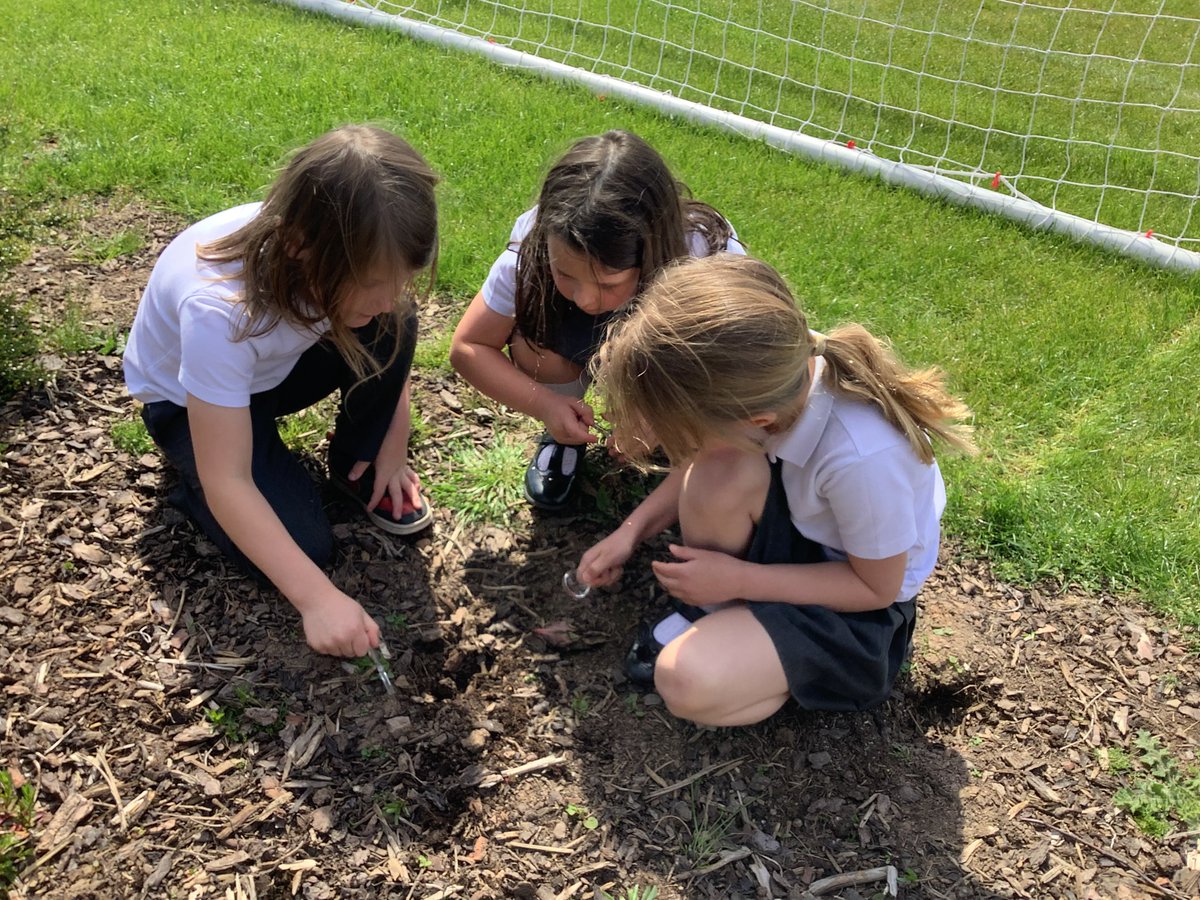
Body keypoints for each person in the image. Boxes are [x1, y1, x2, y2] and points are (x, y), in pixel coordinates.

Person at [575, 253, 977, 726]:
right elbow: (702, 461)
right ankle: (717, 611)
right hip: (812, 538)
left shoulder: (864, 459)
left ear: (759, 422)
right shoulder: (770, 376)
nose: (676, 448)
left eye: (687, 432)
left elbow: (876, 587)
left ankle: (766, 648)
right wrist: (631, 531)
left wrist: (741, 580)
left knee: (685, 682)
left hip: (859, 608)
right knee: (718, 463)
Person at [123, 125, 439, 658]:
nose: (388, 297)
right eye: (372, 282)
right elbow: (230, 480)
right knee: (306, 546)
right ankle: (187, 482)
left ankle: (356, 466)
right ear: (297, 245)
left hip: (271, 372)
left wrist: (391, 438)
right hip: (184, 403)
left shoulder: (333, 259)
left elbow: (391, 321)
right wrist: (317, 601)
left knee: (394, 324)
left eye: (400, 279)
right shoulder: (219, 312)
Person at [449, 130, 744, 510]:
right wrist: (545, 406)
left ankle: (677, 437)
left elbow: (746, 369)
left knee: (712, 422)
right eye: (565, 274)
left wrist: (665, 415)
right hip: (581, 344)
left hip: (681, 352)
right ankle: (565, 432)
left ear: (653, 248)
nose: (587, 298)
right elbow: (469, 346)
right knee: (533, 345)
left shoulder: (708, 263)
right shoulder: (531, 247)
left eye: (609, 282)